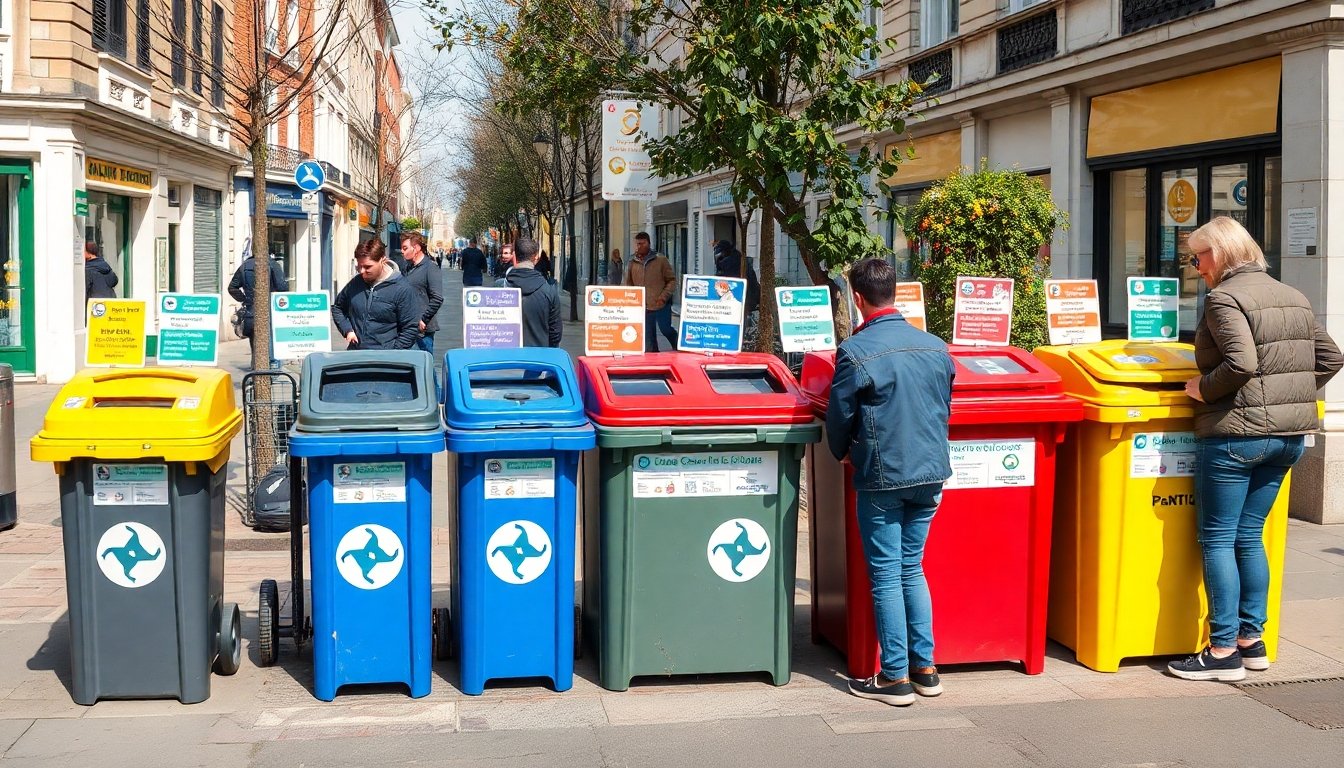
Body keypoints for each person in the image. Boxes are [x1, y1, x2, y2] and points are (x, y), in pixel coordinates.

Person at [1164, 217, 1342, 682]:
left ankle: (1222, 651)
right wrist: (1289, 398)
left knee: (1218, 538)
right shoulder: (1292, 295)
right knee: (1249, 536)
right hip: (1287, 441)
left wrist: (1203, 389)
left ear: (1220, 253)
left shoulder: (1224, 297)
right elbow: (1331, 358)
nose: (1195, 266)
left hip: (1235, 436)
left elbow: (1241, 363)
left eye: (1198, 256)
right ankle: (1252, 641)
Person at [827, 258, 954, 706]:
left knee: (885, 574)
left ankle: (894, 677)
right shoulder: (936, 346)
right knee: (911, 567)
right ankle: (926, 669)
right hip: (930, 472)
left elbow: (840, 416)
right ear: (895, 292)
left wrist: (841, 452)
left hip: (883, 473)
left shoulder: (855, 351)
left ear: (858, 300)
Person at [331, 238, 422, 350]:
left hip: (386, 360)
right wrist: (347, 330)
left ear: (382, 260)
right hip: (357, 356)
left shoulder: (402, 289)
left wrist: (393, 352)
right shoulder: (355, 283)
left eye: (367, 267)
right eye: (359, 266)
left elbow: (410, 329)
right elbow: (337, 308)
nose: (361, 271)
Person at [228, 243, 289, 365]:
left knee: (256, 348)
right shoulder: (273, 265)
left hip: (251, 313)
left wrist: (245, 299)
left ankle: (256, 374)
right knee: (271, 347)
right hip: (270, 313)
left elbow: (232, 288)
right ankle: (270, 374)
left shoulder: (244, 266)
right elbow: (282, 288)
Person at [502, 238, 562, 348]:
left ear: (514, 256)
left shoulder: (499, 288)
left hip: (506, 359)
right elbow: (555, 334)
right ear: (536, 258)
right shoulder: (548, 290)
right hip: (539, 358)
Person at [622, 232, 677, 352]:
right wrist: (629, 300)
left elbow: (672, 280)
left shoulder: (660, 259)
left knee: (666, 329)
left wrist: (664, 296)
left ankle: (678, 346)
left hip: (661, 303)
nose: (639, 247)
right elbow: (628, 283)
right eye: (637, 244)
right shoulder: (632, 261)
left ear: (648, 243)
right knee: (649, 337)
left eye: (642, 243)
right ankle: (653, 359)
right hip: (643, 306)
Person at [400, 232, 444, 355]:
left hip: (422, 330)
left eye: (405, 248)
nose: (402, 252)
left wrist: (423, 319)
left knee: (426, 367)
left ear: (417, 248)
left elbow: (437, 298)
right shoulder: (407, 268)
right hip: (406, 326)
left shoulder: (430, 268)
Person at [712, 239, 761, 318]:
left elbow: (722, 281)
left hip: (742, 299)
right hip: (752, 297)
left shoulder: (728, 263)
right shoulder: (739, 257)